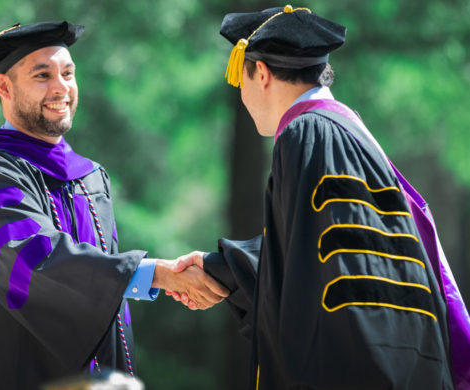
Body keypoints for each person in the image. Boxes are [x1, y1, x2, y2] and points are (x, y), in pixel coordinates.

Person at [0, 21, 228, 390]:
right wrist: (155, 273)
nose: (61, 87)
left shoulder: (90, 177)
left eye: (68, 73)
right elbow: (34, 261)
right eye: (42, 75)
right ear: (3, 86)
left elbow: (105, 291)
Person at [170, 5, 470, 389]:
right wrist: (222, 269)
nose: (242, 97)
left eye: (239, 82)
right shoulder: (349, 130)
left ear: (260, 73)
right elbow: (329, 255)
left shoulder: (306, 134)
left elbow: (325, 272)